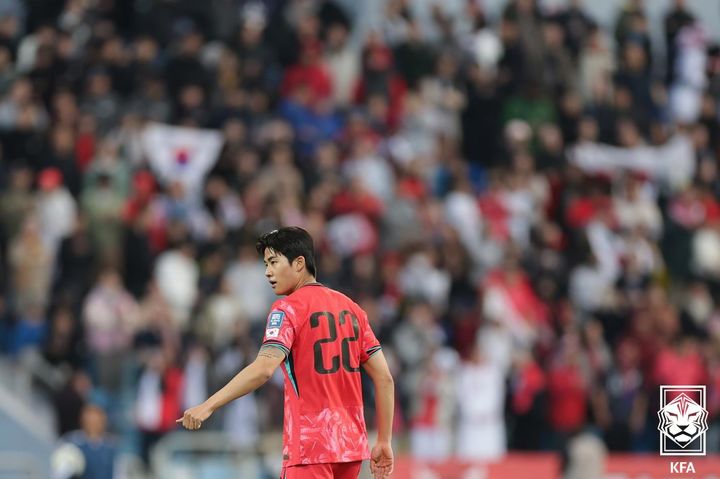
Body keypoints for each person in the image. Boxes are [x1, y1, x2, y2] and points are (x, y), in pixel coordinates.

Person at [178, 226, 395, 479]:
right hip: (349, 448)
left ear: (299, 263)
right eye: (265, 264)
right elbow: (384, 378)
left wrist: (209, 405)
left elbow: (263, 369)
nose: (268, 272)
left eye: (273, 261)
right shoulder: (352, 309)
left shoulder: (287, 309)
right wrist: (384, 440)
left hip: (309, 447)